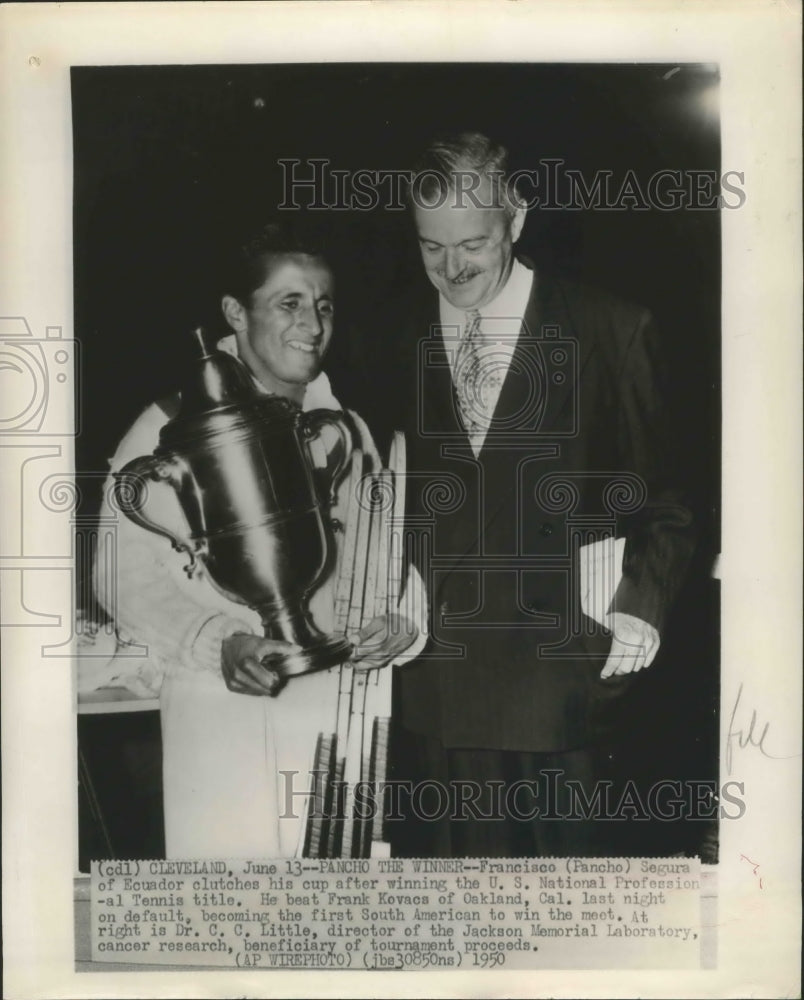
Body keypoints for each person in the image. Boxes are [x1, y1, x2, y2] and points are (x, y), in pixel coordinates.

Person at [371, 132, 697, 857]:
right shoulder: (394, 336)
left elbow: (669, 501)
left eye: (473, 243)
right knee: (454, 943)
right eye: (431, 247)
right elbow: (383, 497)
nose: (452, 269)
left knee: (567, 949)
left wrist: (638, 607)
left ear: (517, 215)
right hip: (437, 694)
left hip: (563, 694)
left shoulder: (613, 329)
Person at [93, 222, 419, 858]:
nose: (313, 323)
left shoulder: (345, 428)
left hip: (338, 716)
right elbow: (118, 572)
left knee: (335, 930)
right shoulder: (170, 426)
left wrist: (402, 618)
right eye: (289, 302)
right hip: (224, 713)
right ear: (235, 313)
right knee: (236, 925)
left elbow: (389, 557)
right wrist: (217, 642)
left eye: (324, 304)